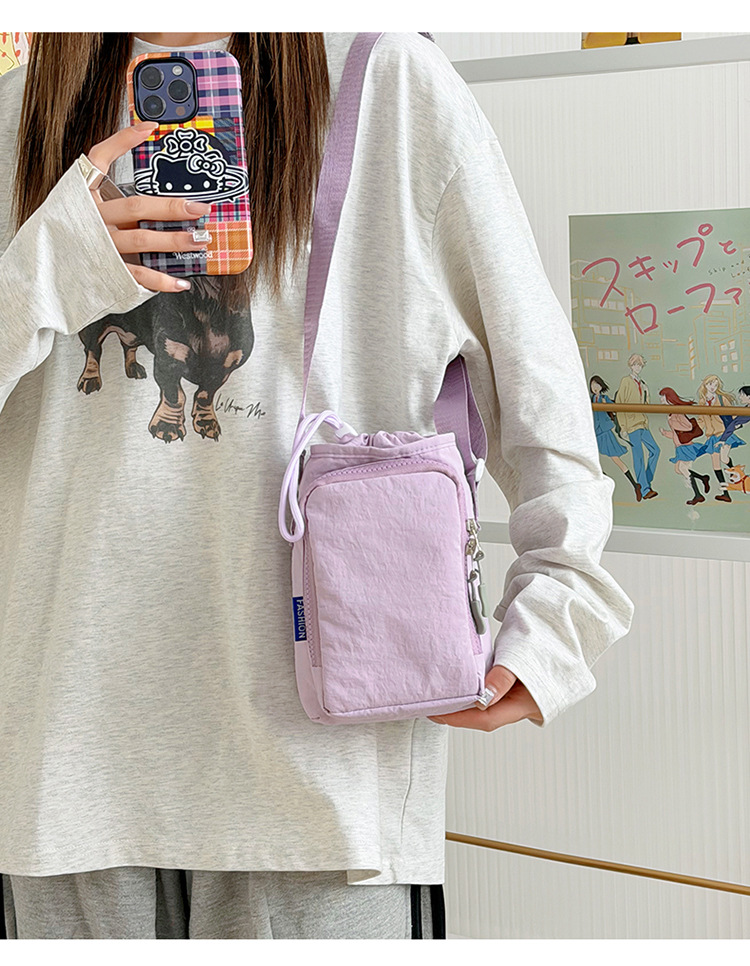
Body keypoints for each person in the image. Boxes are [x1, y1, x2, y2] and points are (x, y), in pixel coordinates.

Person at [0, 32, 634, 940]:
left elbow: (539, 382)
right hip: (65, 773)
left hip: (325, 777)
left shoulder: (387, 84)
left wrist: (562, 613)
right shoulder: (19, 111)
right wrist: (46, 269)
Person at [589, 375, 642, 501]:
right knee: (592, 458)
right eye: (593, 385)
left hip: (605, 432)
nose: (595, 387)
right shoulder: (590, 399)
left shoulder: (604, 398)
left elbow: (614, 407)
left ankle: (635, 485)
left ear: (601, 386)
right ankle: (602, 481)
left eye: (597, 385)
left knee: (616, 459)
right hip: (594, 432)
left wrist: (605, 404)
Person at [615, 353, 660, 500]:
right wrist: (623, 427)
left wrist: (646, 392)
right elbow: (619, 403)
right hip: (631, 424)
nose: (637, 367)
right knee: (638, 456)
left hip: (642, 423)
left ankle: (644, 481)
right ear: (631, 365)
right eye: (635, 364)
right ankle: (645, 489)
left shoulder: (642, 383)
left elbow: (646, 405)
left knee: (655, 450)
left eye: (640, 365)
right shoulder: (626, 381)